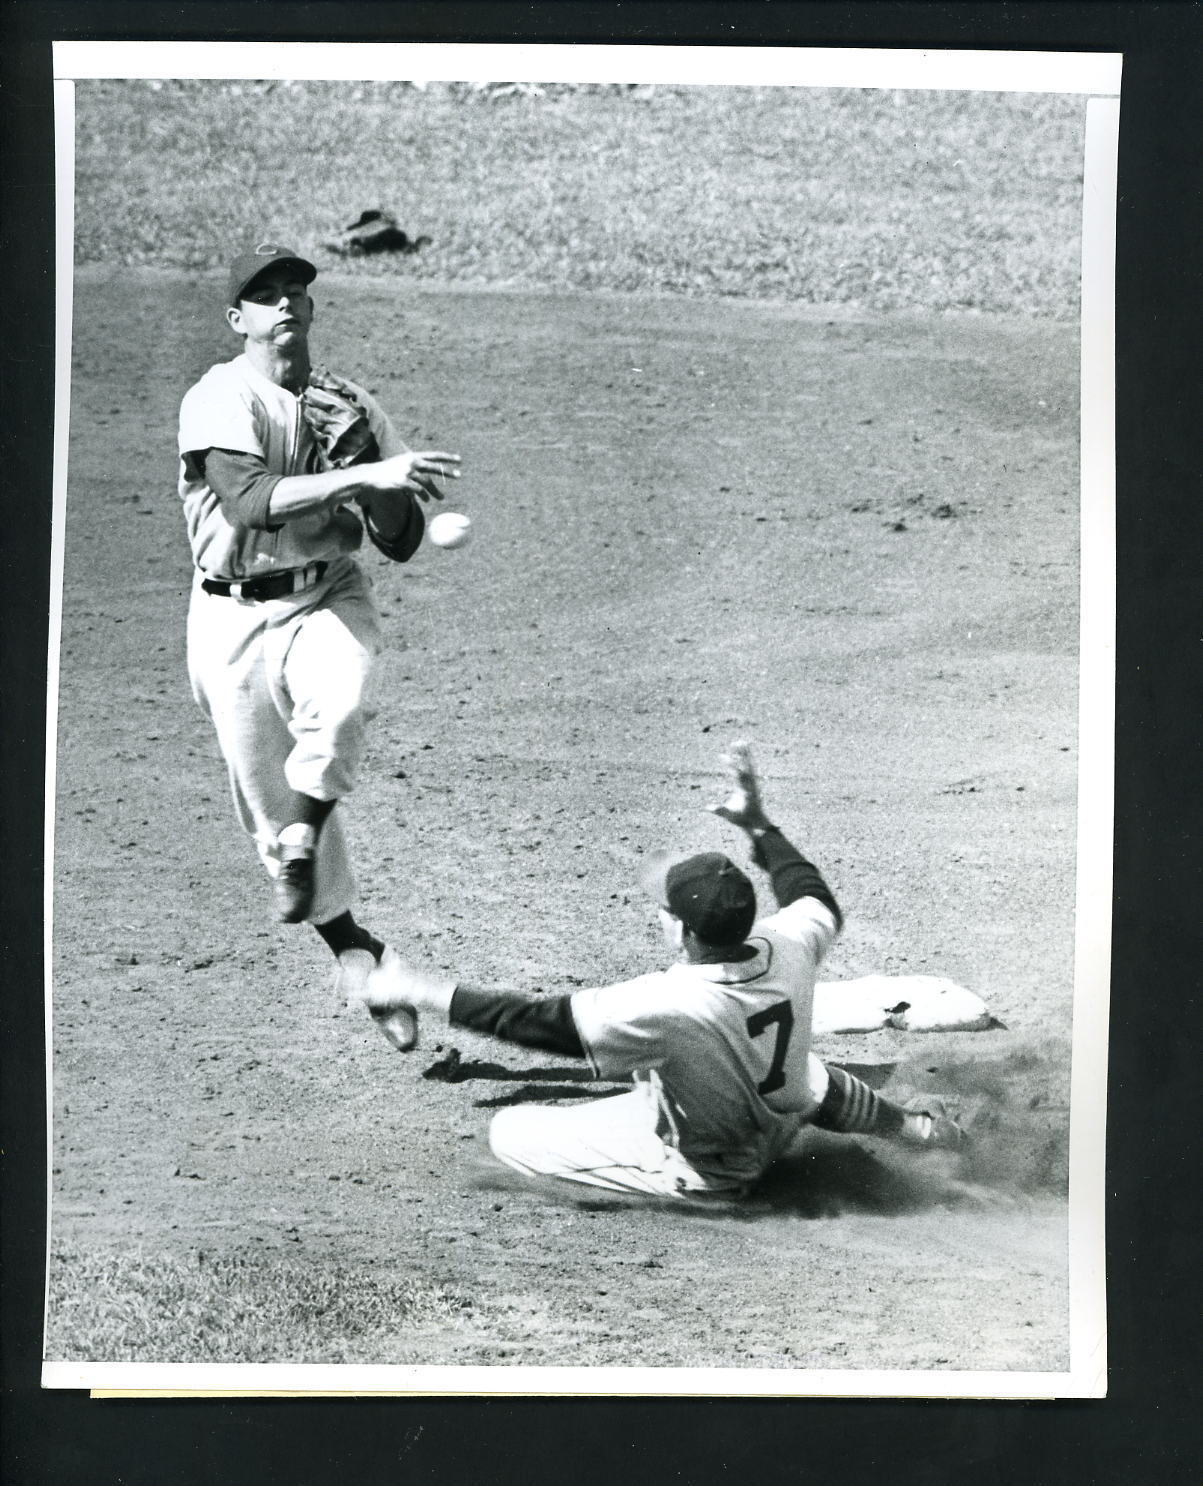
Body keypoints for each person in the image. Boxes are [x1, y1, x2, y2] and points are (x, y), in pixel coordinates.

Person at [364, 743, 968, 1200]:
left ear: (681, 930)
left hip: (718, 1167)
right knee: (786, 1069)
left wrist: (415, 987)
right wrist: (760, 826)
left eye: (663, 908)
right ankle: (914, 1129)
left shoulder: (669, 1004)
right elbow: (812, 895)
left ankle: (706, 1195)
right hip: (784, 1114)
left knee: (512, 1132)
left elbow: (537, 1024)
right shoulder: (789, 945)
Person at [176, 238, 461, 1038]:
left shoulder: (352, 404)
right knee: (264, 799)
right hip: (228, 614)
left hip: (325, 595)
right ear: (240, 319)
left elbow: (400, 538)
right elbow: (248, 500)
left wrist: (379, 472)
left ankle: (308, 830)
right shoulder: (217, 397)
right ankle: (358, 952)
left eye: (299, 291)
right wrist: (357, 479)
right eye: (268, 295)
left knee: (337, 711)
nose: (289, 303)